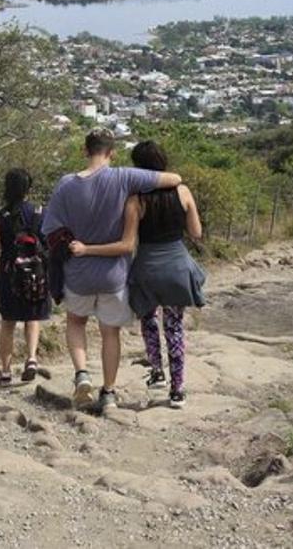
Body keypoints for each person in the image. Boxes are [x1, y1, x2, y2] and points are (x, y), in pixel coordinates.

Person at [41, 128, 182, 412]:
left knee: (76, 323)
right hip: (114, 275)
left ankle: (82, 373)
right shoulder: (123, 176)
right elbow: (174, 179)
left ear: (85, 150)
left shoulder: (66, 184)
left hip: (78, 271)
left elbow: (49, 227)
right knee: (110, 334)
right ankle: (108, 392)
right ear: (112, 152)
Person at [70, 141, 205, 409]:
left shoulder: (136, 199)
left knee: (149, 320)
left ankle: (156, 371)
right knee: (175, 327)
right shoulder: (183, 191)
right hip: (177, 265)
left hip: (147, 267)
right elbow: (196, 233)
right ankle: (178, 391)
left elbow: (129, 242)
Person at [0, 168, 51, 387]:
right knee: (32, 318)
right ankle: (31, 358)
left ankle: (5, 371)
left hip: (8, 273)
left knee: (8, 322)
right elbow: (48, 242)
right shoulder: (40, 212)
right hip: (36, 274)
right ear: (28, 188)